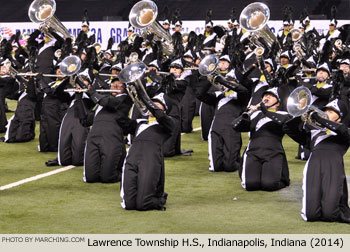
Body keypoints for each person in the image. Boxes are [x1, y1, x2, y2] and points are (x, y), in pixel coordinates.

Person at [284, 98, 350, 223]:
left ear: (339, 118)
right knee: (311, 215)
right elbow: (288, 128)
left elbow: (341, 130)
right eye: (325, 110)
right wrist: (301, 114)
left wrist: (320, 119)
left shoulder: (344, 132)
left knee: (330, 214)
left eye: (331, 111)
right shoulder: (313, 132)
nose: (325, 113)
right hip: (314, 165)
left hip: (333, 167)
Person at [121, 92, 174, 211]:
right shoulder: (139, 123)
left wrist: (146, 100)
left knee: (142, 204)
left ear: (165, 110)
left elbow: (160, 116)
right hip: (132, 157)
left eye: (158, 104)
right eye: (152, 102)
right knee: (128, 204)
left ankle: (160, 199)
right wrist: (128, 97)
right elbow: (120, 120)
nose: (153, 105)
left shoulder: (168, 124)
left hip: (150, 160)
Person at [233, 88, 291, 191]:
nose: (267, 97)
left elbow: (284, 122)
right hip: (253, 152)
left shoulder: (283, 115)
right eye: (265, 95)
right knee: (250, 185)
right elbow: (235, 126)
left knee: (269, 185)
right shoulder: (255, 114)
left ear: (278, 103)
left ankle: (282, 177)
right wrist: (247, 113)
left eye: (272, 96)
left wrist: (265, 111)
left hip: (273, 153)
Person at [82, 77, 134, 183]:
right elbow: (86, 120)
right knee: (90, 178)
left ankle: (127, 174)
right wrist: (79, 98)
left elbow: (110, 103)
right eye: (113, 85)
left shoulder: (125, 99)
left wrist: (93, 93)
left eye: (118, 85)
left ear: (124, 88)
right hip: (94, 136)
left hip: (112, 137)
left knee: (107, 177)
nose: (114, 87)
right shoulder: (102, 101)